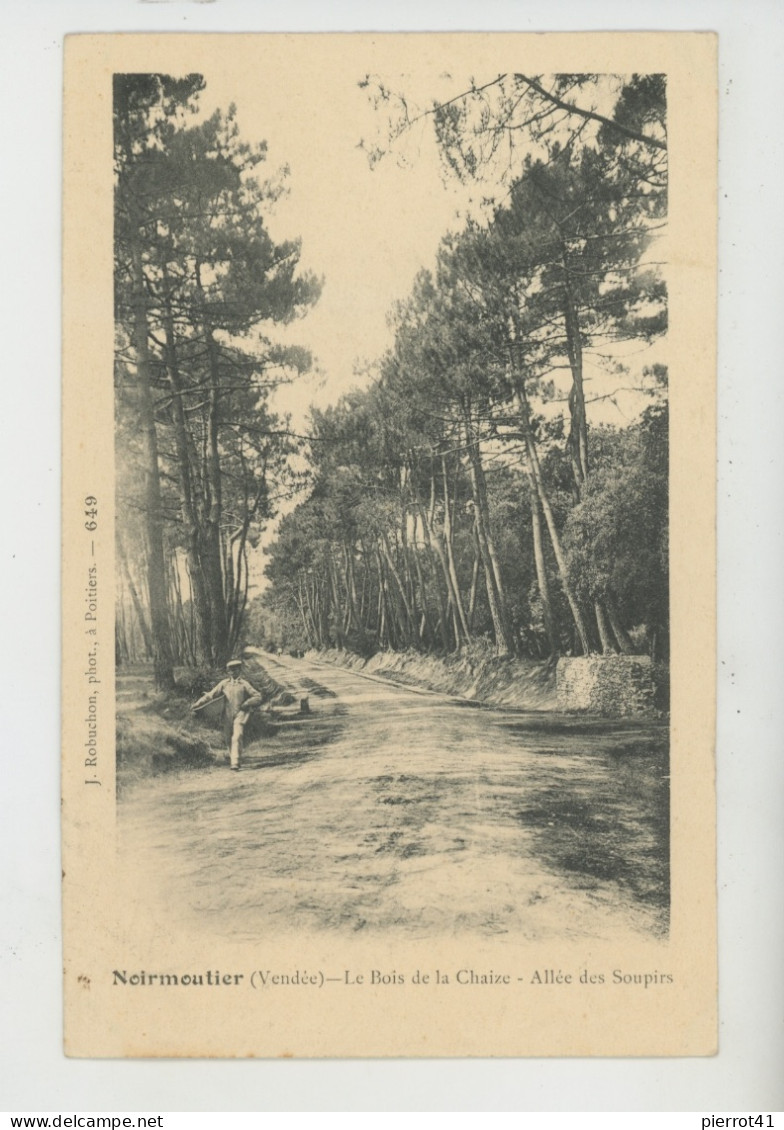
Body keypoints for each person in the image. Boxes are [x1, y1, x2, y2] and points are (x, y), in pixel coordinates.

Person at [191, 659, 265, 770]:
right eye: (231, 670)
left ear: (239, 670)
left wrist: (247, 703)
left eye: (236, 669)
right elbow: (210, 696)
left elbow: (258, 696)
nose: (233, 672)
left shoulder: (244, 684)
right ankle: (233, 759)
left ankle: (235, 762)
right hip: (227, 715)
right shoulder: (224, 684)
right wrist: (196, 705)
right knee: (228, 739)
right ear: (228, 672)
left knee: (237, 736)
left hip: (241, 713)